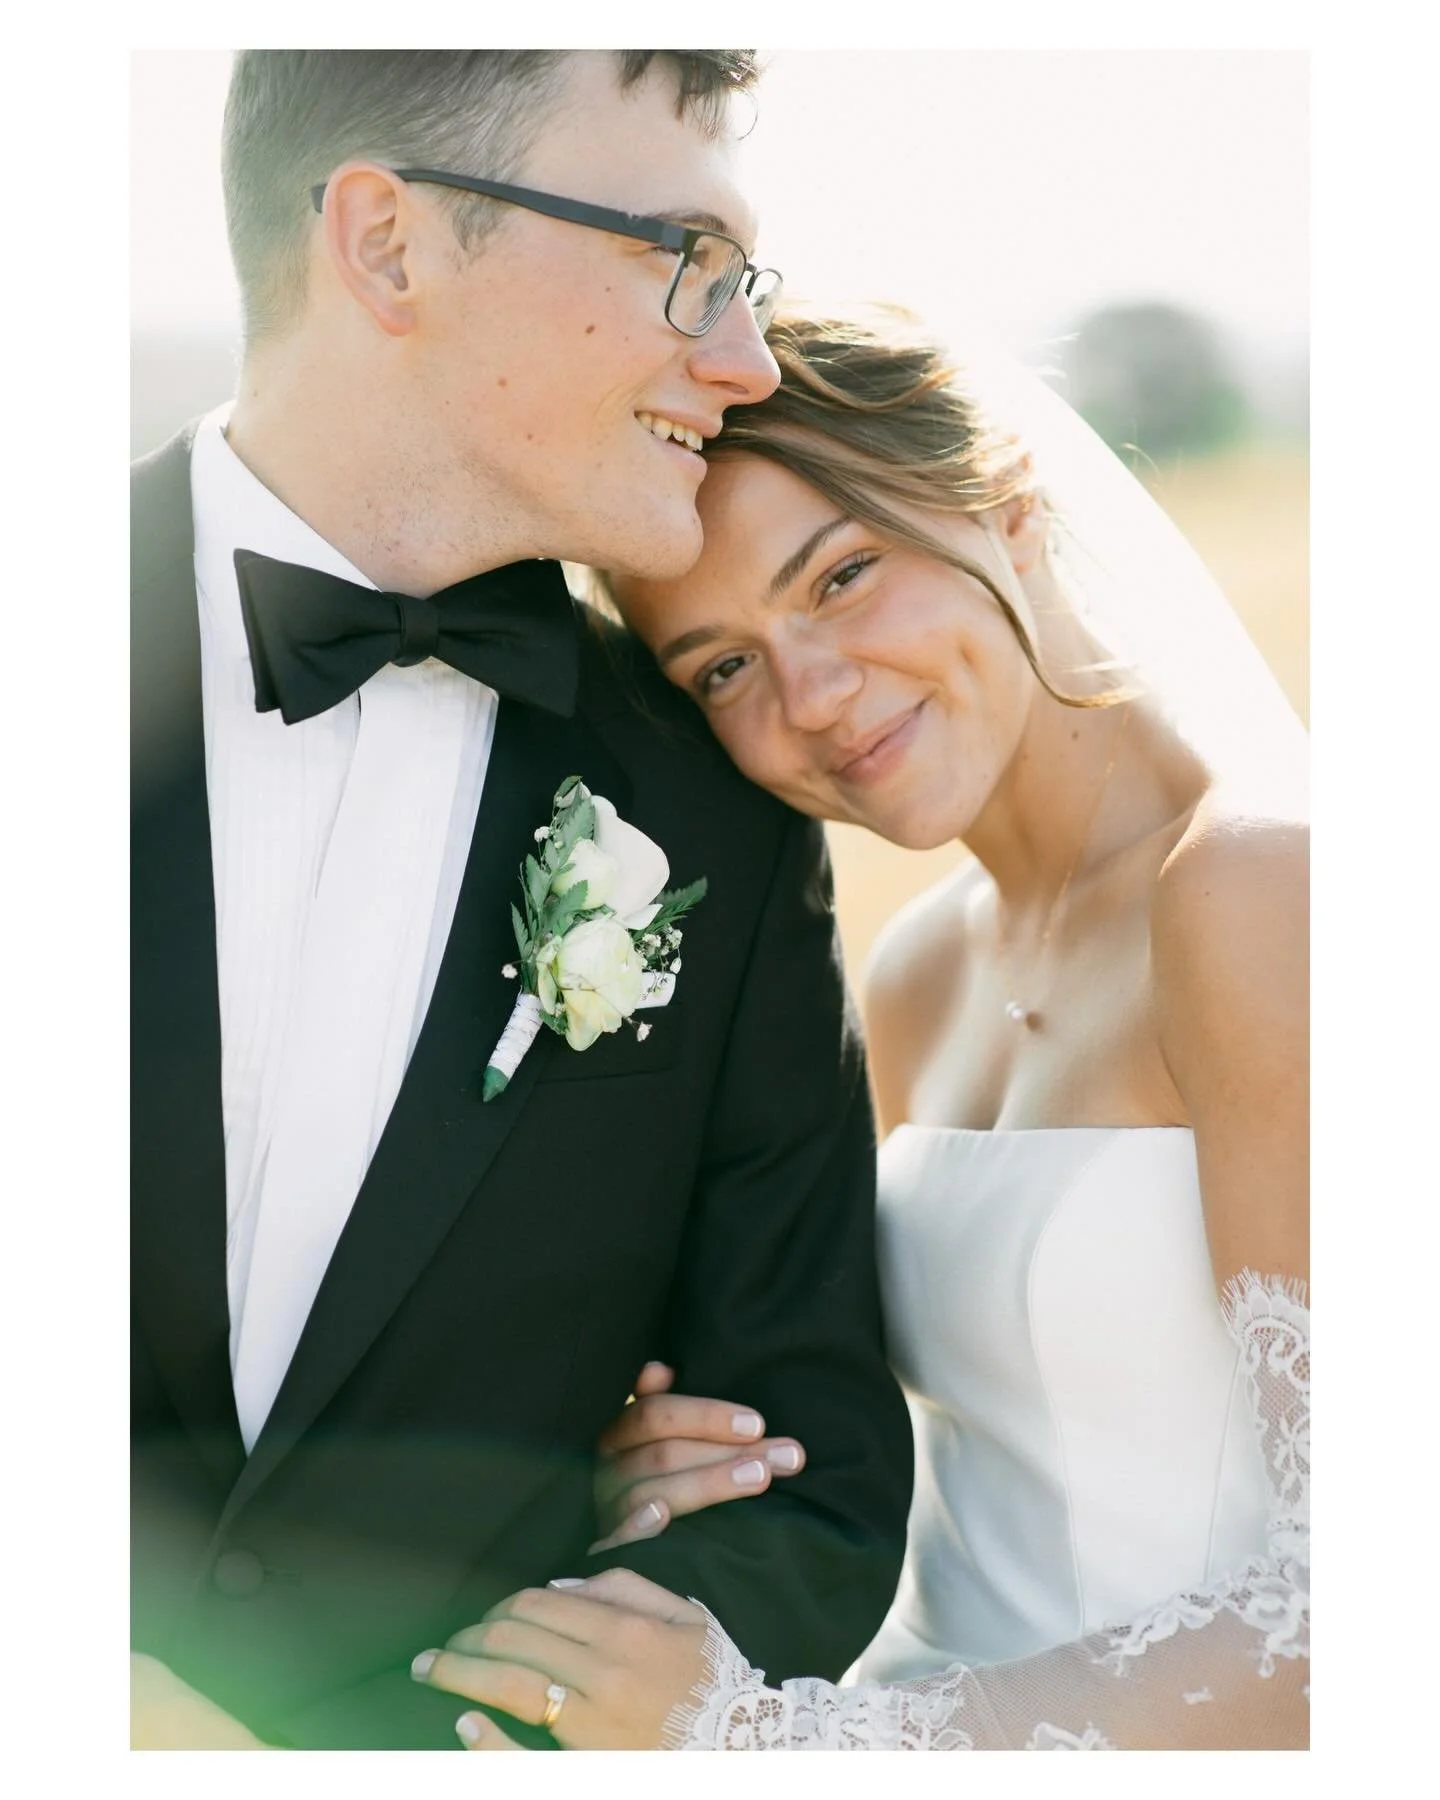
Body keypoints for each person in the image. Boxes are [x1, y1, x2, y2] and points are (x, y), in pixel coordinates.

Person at [130, 57, 915, 1750]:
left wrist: (589, 1674)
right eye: (680, 259)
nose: (746, 358)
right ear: (390, 247)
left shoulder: (713, 802)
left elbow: (810, 1475)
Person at [412, 308, 1310, 1749]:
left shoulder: (1263, 894)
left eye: (840, 576)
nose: (811, 698)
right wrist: (688, 1460)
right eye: (721, 668)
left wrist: (772, 1747)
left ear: (1007, 510)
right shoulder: (914, 974)